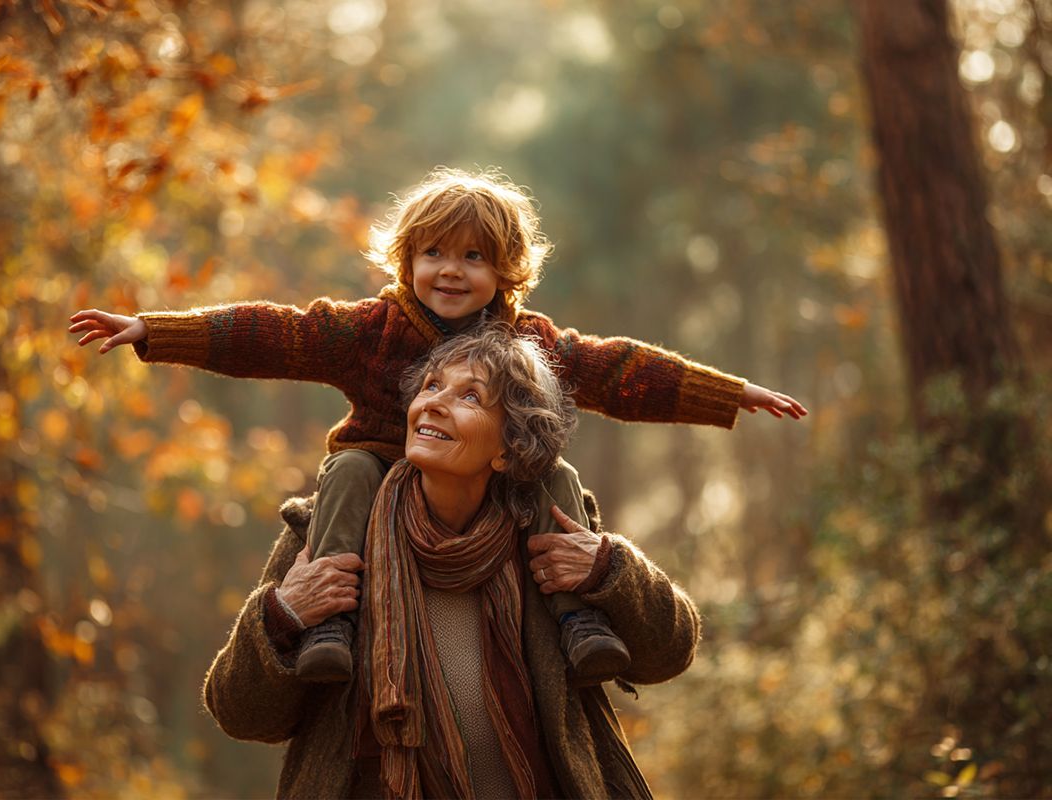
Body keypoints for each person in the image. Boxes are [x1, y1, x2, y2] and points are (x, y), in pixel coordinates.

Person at [69, 167, 805, 684]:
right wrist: (154, 330)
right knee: (350, 470)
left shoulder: (531, 343)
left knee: (555, 473)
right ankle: (331, 624)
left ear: (507, 271)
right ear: (406, 260)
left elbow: (621, 370)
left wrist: (728, 392)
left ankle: (579, 617)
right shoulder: (370, 329)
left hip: (499, 484)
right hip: (380, 478)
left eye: (474, 257)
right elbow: (274, 333)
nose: (450, 271)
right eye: (433, 253)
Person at [202, 326, 701, 799]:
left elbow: (670, 652)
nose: (435, 403)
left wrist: (612, 570)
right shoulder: (333, 533)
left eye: (470, 397)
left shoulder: (551, 531)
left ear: (507, 450)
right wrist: (284, 615)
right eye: (431, 386)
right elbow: (241, 714)